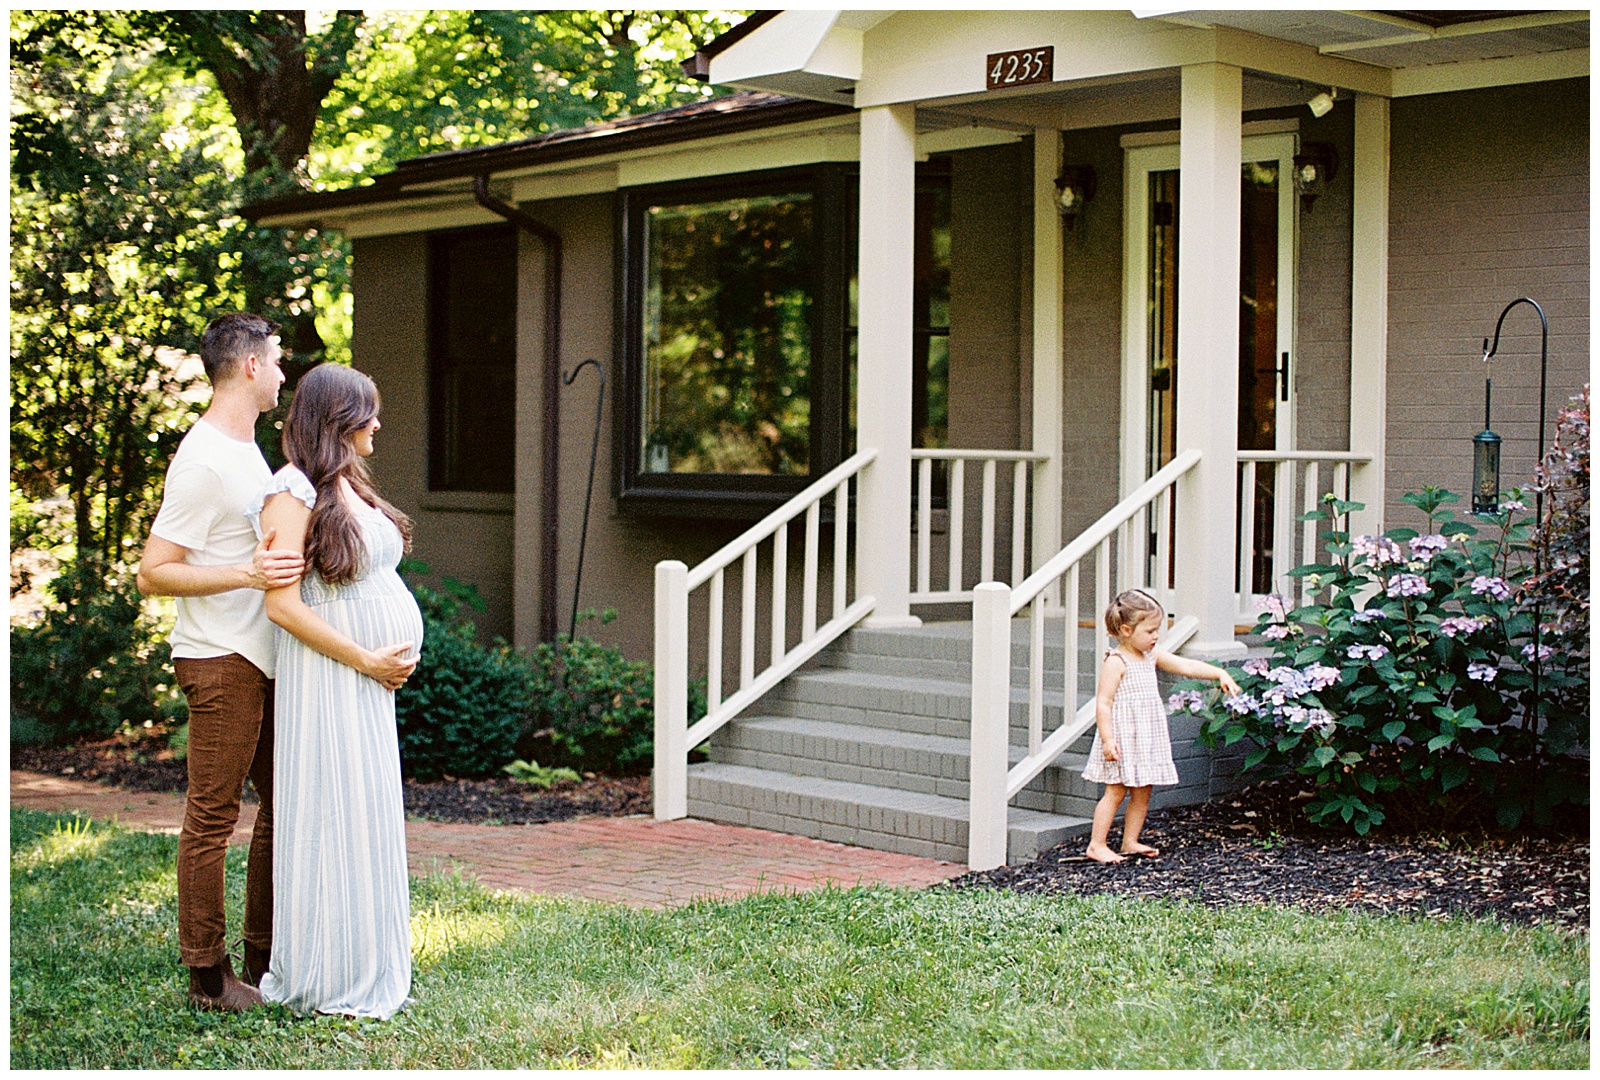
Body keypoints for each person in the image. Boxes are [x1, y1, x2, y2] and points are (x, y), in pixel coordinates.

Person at [137, 312, 305, 1011]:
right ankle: (207, 975)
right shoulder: (204, 458)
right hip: (220, 659)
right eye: (275, 362)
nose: (282, 374)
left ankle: (264, 957)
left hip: (259, 655)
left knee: (282, 803)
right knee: (212, 817)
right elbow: (154, 572)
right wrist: (246, 574)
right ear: (247, 367)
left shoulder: (247, 450)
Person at [250, 362, 421, 1019]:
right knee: (332, 812)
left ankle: (366, 957)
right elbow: (283, 606)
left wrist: (378, 667)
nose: (377, 423)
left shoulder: (345, 483)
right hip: (329, 677)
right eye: (367, 412)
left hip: (365, 682)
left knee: (364, 810)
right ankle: (328, 971)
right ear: (336, 419)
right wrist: (365, 660)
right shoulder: (291, 490)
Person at [1082, 589, 1240, 864]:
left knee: (1143, 791)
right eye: (1151, 631)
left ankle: (1130, 841)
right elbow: (1103, 704)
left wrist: (1219, 673)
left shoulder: (1151, 656)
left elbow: (1186, 666)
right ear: (1126, 630)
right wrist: (1108, 740)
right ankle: (1097, 845)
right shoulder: (1116, 662)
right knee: (1116, 791)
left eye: (1158, 630)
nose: (1156, 637)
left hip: (1145, 737)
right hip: (1122, 737)